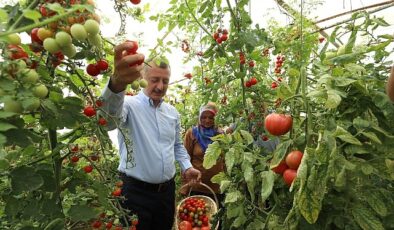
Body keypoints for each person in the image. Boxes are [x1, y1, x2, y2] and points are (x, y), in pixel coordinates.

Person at [100, 41, 201, 230]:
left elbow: (177, 145)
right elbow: (107, 121)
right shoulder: (128, 105)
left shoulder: (172, 112)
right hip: (134, 192)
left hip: (166, 192)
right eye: (155, 79)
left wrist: (187, 167)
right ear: (143, 77)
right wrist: (117, 84)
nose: (160, 86)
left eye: (165, 81)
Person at [181, 102, 225, 224]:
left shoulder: (221, 135)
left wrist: (226, 182)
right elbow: (185, 158)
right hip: (197, 184)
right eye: (203, 117)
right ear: (199, 118)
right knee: (196, 220)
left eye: (211, 117)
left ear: (215, 118)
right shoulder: (192, 133)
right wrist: (185, 186)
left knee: (214, 221)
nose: (207, 120)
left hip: (216, 187)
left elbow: (225, 159)